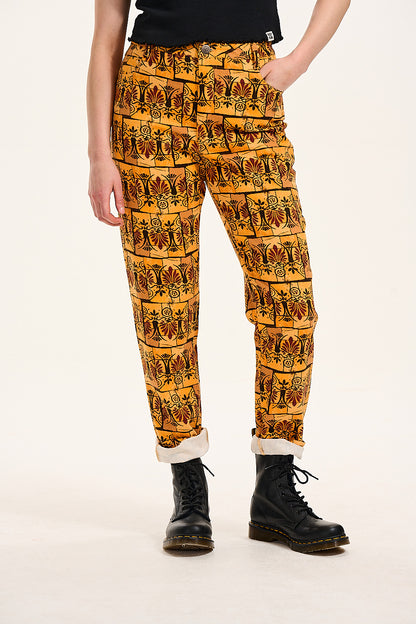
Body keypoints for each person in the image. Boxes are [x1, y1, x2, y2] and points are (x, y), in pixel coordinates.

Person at [86, 0, 351, 554]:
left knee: (288, 297)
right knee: (164, 306)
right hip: (151, 101)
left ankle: (275, 488)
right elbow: (107, 33)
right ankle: (188, 490)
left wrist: (298, 60)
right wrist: (98, 155)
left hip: (247, 94)